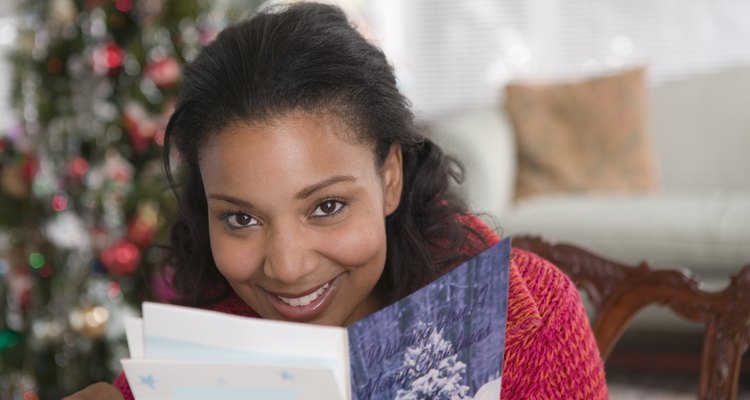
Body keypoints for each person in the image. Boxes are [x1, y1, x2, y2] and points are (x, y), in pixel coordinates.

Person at [66, 2, 607, 399]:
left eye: (326, 207)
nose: (287, 266)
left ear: (390, 175)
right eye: (240, 218)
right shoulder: (196, 351)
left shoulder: (529, 317)